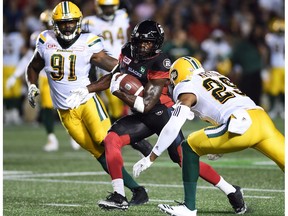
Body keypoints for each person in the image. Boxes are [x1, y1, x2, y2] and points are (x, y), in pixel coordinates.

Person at [67, 20, 246, 212]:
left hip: (162, 114)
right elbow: (116, 75)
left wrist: (119, 92)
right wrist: (87, 90)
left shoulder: (161, 62)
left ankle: (231, 190)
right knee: (111, 139)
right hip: (141, 116)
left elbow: (146, 105)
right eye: (140, 41)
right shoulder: (127, 51)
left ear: (157, 44)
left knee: (183, 159)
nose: (143, 46)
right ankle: (119, 196)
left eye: (149, 42)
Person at [25, 1, 149, 206]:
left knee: (106, 139)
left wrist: (91, 89)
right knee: (98, 152)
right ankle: (137, 190)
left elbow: (115, 69)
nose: (67, 27)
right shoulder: (45, 39)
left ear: (78, 22)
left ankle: (134, 142)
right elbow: (33, 66)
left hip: (86, 102)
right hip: (64, 111)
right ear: (55, 24)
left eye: (71, 22)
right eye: (63, 23)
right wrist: (32, 85)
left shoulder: (88, 42)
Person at [133, 56, 284, 216]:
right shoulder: (215, 75)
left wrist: (151, 157)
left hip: (241, 125)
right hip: (262, 120)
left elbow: (173, 125)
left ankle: (189, 208)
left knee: (188, 146)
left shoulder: (186, 85)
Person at [7, 9, 80, 151]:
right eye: (45, 23)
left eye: (49, 23)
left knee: (70, 107)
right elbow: (29, 58)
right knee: (47, 107)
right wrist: (16, 75)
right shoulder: (39, 37)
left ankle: (74, 136)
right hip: (45, 77)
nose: (48, 26)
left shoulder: (70, 35)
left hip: (66, 76)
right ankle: (51, 138)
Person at [82, 0, 130, 123]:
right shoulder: (90, 22)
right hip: (105, 65)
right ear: (98, 7)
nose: (108, 10)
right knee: (114, 102)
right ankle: (115, 130)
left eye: (111, 7)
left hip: (125, 63)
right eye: (105, 7)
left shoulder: (122, 16)